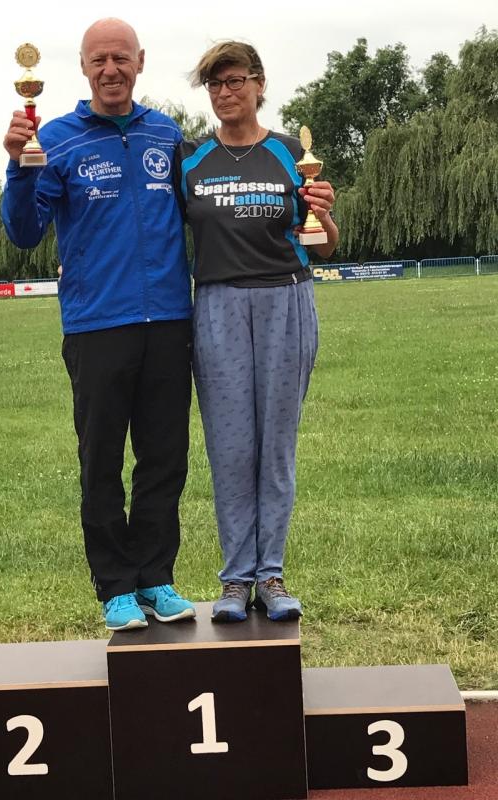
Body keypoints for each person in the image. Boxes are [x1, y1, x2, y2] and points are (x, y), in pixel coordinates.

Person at [2, 18, 196, 631]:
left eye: (121, 58)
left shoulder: (167, 133)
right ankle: (115, 586)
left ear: (140, 61)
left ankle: (156, 576)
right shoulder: (55, 139)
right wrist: (18, 168)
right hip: (96, 325)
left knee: (165, 458)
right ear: (83, 68)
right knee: (102, 462)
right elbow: (24, 231)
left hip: (169, 320)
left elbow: (204, 213)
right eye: (98, 60)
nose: (111, 69)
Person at [177, 41, 339, 622]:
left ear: (259, 83)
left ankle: (270, 575)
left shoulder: (291, 153)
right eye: (215, 84)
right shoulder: (191, 160)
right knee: (229, 449)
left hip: (285, 300)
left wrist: (325, 213)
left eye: (235, 80)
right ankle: (233, 580)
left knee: (276, 446)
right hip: (217, 304)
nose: (225, 92)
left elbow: (326, 243)